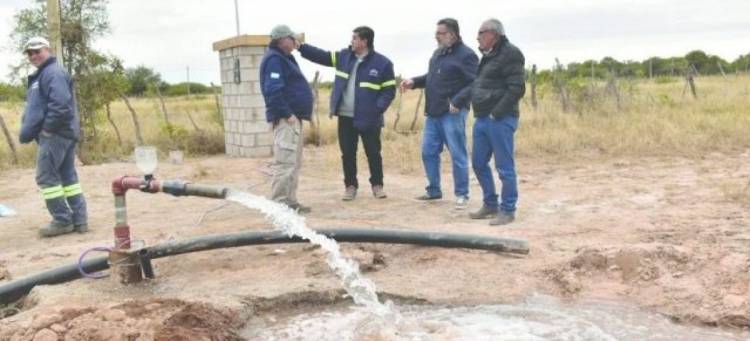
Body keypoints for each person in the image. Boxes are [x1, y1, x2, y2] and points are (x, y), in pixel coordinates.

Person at [298, 26, 396, 201]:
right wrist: (301, 47)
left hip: (370, 118)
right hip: (345, 117)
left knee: (373, 153)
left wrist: (377, 109)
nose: (351, 41)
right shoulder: (344, 56)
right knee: (348, 154)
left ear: (364, 41)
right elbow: (322, 56)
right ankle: (350, 186)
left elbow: (389, 90)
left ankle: (377, 185)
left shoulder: (383, 63)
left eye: (354, 38)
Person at [400, 18, 478, 210]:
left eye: (440, 33)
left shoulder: (467, 55)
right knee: (428, 152)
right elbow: (432, 78)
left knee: (458, 154)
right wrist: (414, 82)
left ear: (452, 34)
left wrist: (458, 101)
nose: (436, 36)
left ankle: (462, 195)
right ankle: (434, 190)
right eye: (436, 33)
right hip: (433, 113)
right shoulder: (438, 54)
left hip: (453, 113)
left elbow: (475, 82)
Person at [18, 37, 88, 237]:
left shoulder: (53, 73)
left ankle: (62, 220)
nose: (33, 56)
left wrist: (47, 129)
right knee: (68, 178)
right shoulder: (45, 74)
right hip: (64, 134)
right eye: (29, 53)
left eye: (37, 51)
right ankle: (79, 220)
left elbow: (60, 105)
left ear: (48, 49)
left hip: (56, 134)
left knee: (46, 177)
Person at [468, 19, 526, 225]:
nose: (478, 37)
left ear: (494, 34)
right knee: (478, 163)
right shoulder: (487, 56)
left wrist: (496, 113)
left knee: (504, 167)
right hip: (482, 118)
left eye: (481, 33)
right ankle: (490, 204)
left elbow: (517, 88)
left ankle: (508, 209)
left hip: (500, 119)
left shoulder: (510, 53)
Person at [259, 25, 314, 213]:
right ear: (283, 39)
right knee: (285, 162)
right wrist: (287, 114)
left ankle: (290, 202)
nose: (296, 42)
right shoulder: (275, 59)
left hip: (293, 118)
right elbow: (273, 90)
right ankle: (279, 204)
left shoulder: (284, 57)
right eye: (292, 38)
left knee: (293, 162)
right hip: (286, 119)